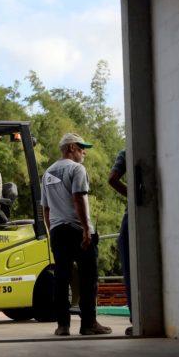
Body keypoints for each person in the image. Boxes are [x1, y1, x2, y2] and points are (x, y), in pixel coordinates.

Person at [41, 133, 112, 336]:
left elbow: (46, 208)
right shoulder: (76, 169)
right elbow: (78, 199)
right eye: (81, 148)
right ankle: (88, 324)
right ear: (71, 147)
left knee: (62, 278)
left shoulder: (48, 173)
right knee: (88, 278)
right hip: (77, 230)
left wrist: (51, 231)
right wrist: (86, 230)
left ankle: (62, 325)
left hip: (57, 231)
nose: (84, 152)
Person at [108, 149, 132, 336]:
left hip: (132, 212)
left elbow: (112, 179)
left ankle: (137, 317)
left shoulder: (126, 152)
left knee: (130, 263)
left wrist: (132, 197)